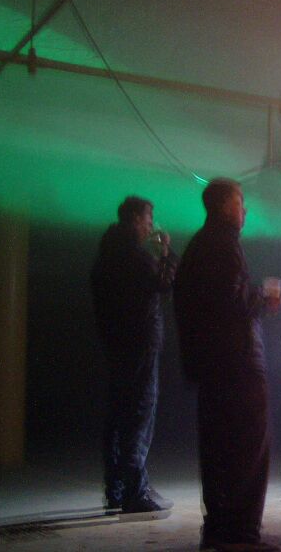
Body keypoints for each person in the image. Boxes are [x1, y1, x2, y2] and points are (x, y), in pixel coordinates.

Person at [173, 178, 281, 552]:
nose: (245, 210)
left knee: (219, 451)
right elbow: (232, 303)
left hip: (211, 367)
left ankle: (219, 530)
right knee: (248, 449)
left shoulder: (198, 245)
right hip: (238, 364)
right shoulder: (224, 246)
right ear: (224, 206)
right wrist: (262, 297)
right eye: (239, 202)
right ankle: (242, 535)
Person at [91, 195, 177, 516]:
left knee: (118, 416)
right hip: (140, 344)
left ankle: (115, 489)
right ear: (136, 220)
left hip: (115, 345)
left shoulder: (106, 254)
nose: (151, 227)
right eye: (148, 220)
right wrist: (165, 253)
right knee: (139, 415)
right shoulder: (136, 257)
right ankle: (135, 492)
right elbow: (164, 285)